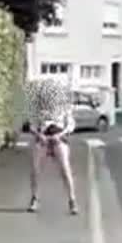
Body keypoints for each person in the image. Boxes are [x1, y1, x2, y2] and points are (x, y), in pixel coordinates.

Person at [25, 79, 78, 215]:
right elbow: (31, 126)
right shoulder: (38, 110)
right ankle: (34, 198)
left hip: (58, 137)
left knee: (65, 168)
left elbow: (70, 126)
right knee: (35, 169)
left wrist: (60, 136)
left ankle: (72, 200)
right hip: (43, 137)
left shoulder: (64, 108)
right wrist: (39, 135)